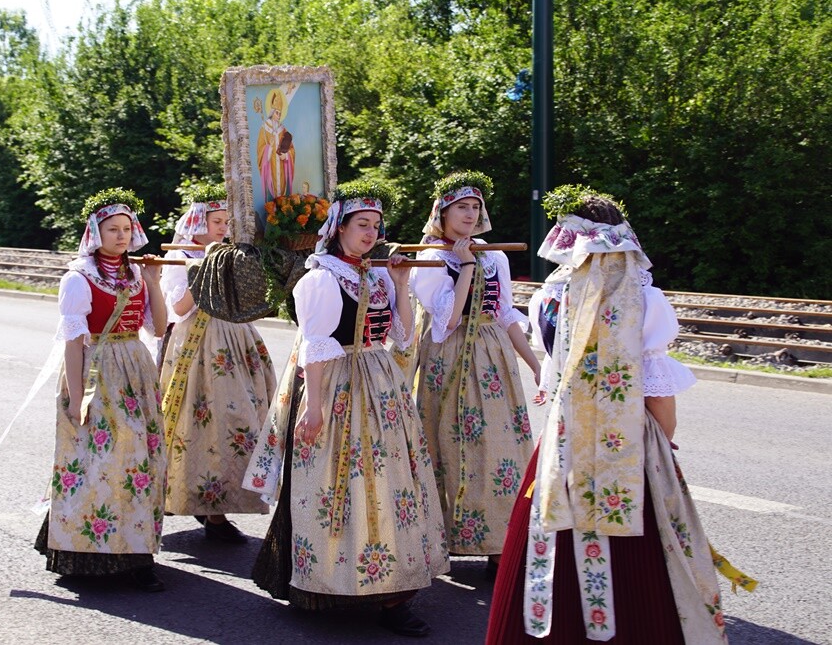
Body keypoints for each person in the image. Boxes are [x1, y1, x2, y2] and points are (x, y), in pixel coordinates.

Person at [485, 186, 755, 644]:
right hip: (629, 445)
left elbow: (553, 376)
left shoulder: (550, 300)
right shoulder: (643, 300)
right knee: (643, 561)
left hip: (563, 443)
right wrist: (663, 450)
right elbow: (657, 393)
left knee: (555, 537)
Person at [244, 180, 450, 638]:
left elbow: (400, 336)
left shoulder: (377, 273)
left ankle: (394, 593)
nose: (370, 233)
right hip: (336, 385)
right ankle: (328, 583)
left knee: (388, 483)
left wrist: (399, 283)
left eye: (375, 225)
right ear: (339, 228)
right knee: (337, 486)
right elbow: (315, 347)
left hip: (380, 383)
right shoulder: (320, 278)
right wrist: (313, 409)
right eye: (362, 225)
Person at [35, 188, 169, 592]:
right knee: (100, 460)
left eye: (127, 229)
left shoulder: (136, 275)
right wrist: (78, 399)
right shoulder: (78, 279)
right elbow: (74, 344)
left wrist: (153, 282)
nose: (122, 236)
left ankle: (137, 553)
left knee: (140, 461)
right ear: (95, 232)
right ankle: (88, 549)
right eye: (113, 229)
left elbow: (159, 329)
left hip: (135, 369)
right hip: (97, 368)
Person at [408, 171, 540, 577]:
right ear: (442, 212)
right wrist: (465, 266)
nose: (469, 213)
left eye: (474, 207)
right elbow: (445, 320)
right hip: (448, 357)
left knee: (503, 448)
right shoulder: (428, 257)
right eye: (461, 207)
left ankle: (501, 543)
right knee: (452, 447)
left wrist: (537, 365)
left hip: (493, 357)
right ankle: (443, 536)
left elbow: (504, 314)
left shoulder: (494, 254)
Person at [159, 183, 277, 542]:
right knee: (202, 425)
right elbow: (178, 307)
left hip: (236, 341)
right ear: (197, 225)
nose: (223, 229)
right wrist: (206, 268)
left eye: (227, 222)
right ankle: (207, 509)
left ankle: (220, 505)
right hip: (196, 346)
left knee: (240, 422)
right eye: (216, 222)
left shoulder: (228, 254)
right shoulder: (179, 257)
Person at [256, 87, 295, 201]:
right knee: (272, 194)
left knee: (283, 195)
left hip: (282, 168)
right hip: (271, 168)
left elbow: (291, 149)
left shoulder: (283, 130)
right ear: (272, 113)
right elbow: (260, 151)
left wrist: (286, 155)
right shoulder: (264, 130)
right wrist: (269, 148)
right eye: (277, 113)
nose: (279, 115)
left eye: (280, 113)